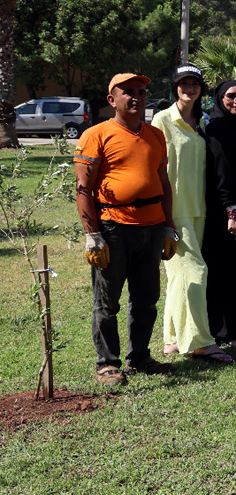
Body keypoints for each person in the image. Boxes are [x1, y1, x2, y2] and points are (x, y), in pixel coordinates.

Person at [74, 73, 180, 386]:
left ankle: (140, 357)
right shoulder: (96, 135)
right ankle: (107, 364)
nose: (136, 98)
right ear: (112, 100)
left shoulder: (155, 135)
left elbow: (164, 184)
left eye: (141, 92)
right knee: (107, 302)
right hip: (113, 228)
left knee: (147, 298)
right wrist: (92, 235)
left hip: (151, 226)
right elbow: (83, 188)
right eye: (127, 93)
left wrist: (169, 227)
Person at [154, 66, 231, 364]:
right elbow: (157, 168)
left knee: (178, 278)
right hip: (173, 211)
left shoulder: (202, 122)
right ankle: (200, 342)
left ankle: (172, 338)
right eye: (183, 83)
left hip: (199, 210)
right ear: (174, 87)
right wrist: (163, 216)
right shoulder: (162, 119)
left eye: (195, 83)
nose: (189, 88)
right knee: (195, 273)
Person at [203, 80, 236, 349]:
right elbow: (221, 174)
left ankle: (235, 329)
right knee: (225, 272)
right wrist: (231, 213)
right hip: (224, 213)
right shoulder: (217, 128)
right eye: (230, 96)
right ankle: (224, 332)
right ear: (218, 98)